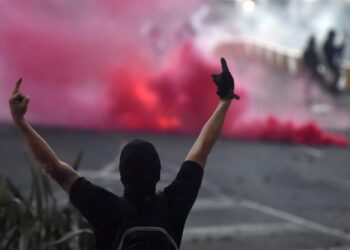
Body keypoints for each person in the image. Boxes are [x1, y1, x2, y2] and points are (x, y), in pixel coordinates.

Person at [9, 58, 239, 250]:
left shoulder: (105, 208)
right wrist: (225, 99)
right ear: (158, 173)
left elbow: (54, 168)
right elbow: (202, 148)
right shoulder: (174, 204)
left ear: (122, 175)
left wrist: (20, 121)